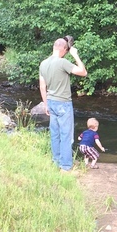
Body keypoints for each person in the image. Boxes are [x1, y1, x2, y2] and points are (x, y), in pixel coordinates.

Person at [39, 36, 87, 173]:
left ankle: (56, 161)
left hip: (51, 102)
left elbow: (42, 86)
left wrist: (45, 104)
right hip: (63, 103)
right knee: (66, 135)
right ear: (64, 50)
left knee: (55, 134)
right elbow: (83, 72)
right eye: (67, 51)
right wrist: (75, 55)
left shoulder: (43, 63)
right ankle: (65, 166)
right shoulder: (63, 62)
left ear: (54, 47)